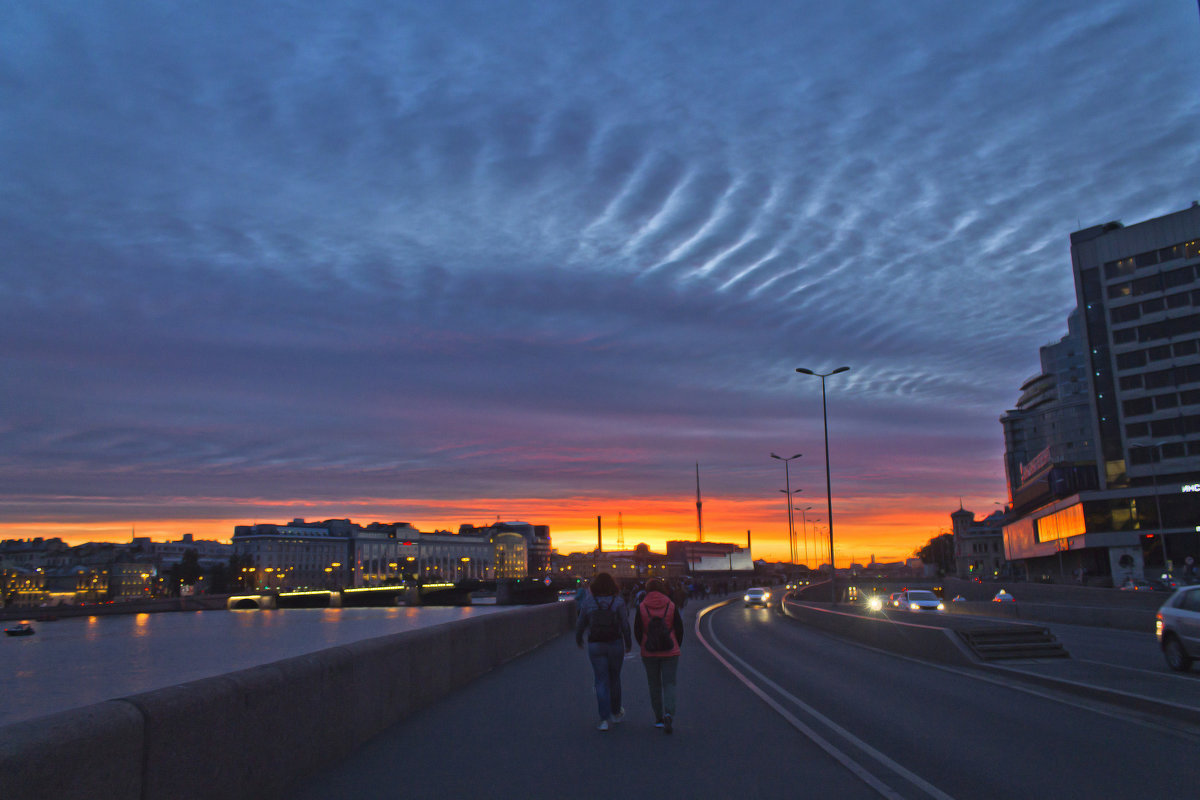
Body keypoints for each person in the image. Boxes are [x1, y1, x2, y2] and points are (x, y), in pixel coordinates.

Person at [575, 572, 632, 731]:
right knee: (615, 679)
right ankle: (616, 713)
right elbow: (625, 625)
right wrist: (628, 643)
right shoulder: (618, 601)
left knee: (601, 680)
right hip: (615, 643)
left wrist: (579, 639)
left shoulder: (588, 601)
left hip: (595, 644)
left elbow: (581, 623)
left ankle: (603, 720)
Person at [634, 577, 684, 734]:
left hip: (649, 651)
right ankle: (669, 713)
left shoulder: (642, 606)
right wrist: (676, 644)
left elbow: (637, 630)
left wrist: (643, 644)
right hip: (670, 650)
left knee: (654, 685)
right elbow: (679, 628)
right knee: (669, 684)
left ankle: (658, 719)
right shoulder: (670, 605)